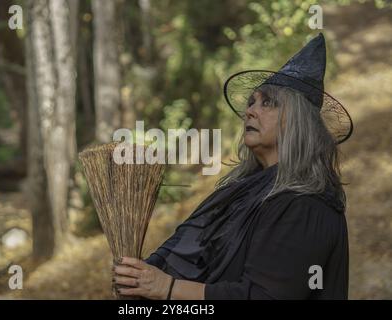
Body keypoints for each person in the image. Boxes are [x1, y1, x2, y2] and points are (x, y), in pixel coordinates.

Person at [112, 33, 353, 300]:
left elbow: (265, 297)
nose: (250, 111)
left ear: (298, 123)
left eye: (268, 103)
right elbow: (191, 261)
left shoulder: (306, 205)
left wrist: (167, 288)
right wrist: (141, 277)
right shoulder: (237, 195)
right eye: (251, 102)